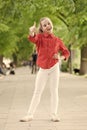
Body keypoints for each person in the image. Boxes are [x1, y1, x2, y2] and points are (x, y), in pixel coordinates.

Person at [20, 17, 70, 122]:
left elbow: (66, 52)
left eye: (49, 23)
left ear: (51, 24)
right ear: (42, 28)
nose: (47, 25)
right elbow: (33, 38)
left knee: (54, 91)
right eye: (44, 25)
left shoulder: (57, 40)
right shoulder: (40, 38)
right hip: (43, 69)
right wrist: (31, 32)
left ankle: (54, 115)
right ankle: (29, 114)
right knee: (37, 92)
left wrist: (60, 57)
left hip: (54, 68)